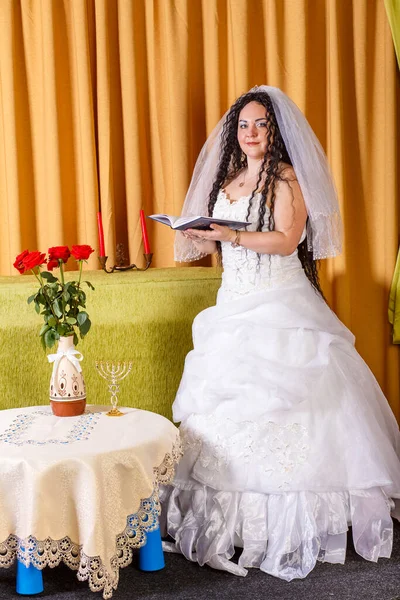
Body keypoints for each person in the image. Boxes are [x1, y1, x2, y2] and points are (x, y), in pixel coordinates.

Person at [160, 86, 400, 580]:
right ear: (235, 133)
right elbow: (229, 241)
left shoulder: (286, 178)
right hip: (234, 306)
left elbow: (287, 239)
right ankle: (228, 522)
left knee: (292, 404)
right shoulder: (230, 180)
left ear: (275, 132)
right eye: (244, 125)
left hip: (280, 305)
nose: (251, 133)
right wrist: (201, 233)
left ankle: (295, 523)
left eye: (260, 125)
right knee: (224, 408)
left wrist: (229, 235)